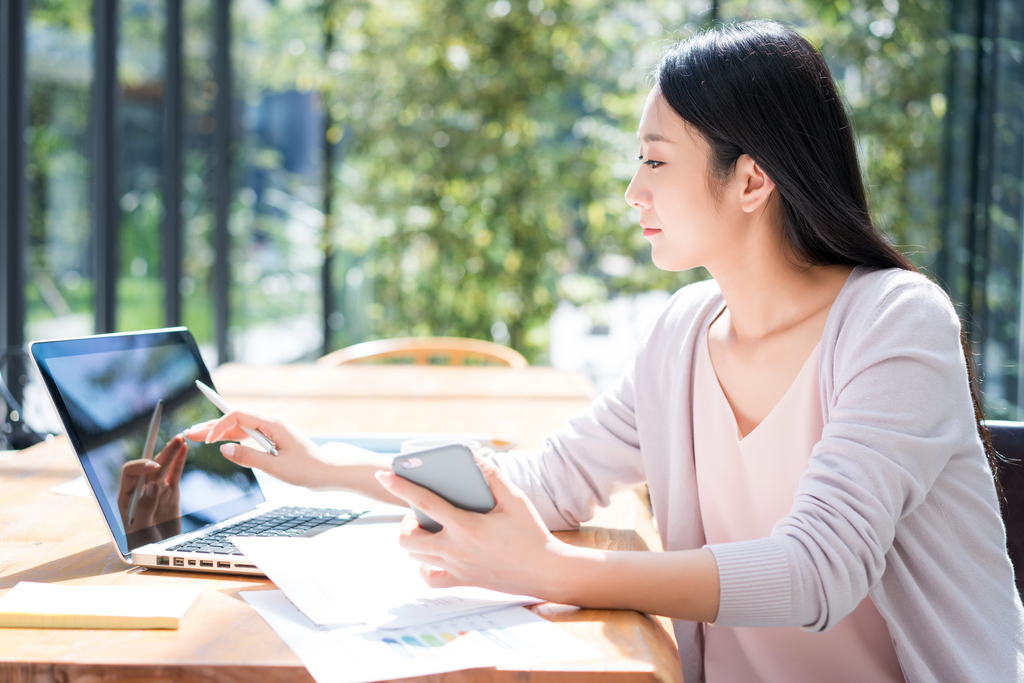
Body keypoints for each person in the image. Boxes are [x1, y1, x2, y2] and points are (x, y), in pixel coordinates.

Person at [185, 20, 1024, 682]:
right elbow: (546, 481)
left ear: (752, 180)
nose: (634, 192)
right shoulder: (682, 332)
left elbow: (814, 572)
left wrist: (554, 570)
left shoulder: (897, 320)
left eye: (656, 161)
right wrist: (324, 466)